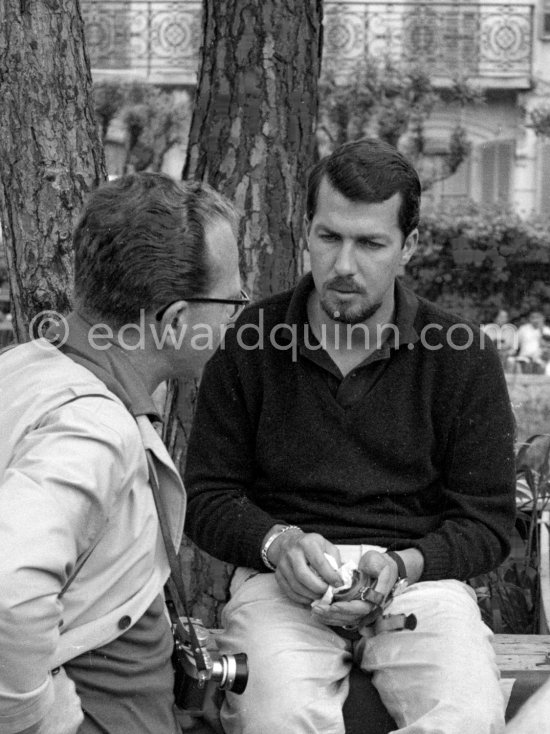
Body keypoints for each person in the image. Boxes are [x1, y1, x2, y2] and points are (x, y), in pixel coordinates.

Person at [184, 139, 517, 734]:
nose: (343, 265)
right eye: (329, 237)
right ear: (305, 230)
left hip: (420, 584)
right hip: (279, 583)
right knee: (274, 717)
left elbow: (487, 521)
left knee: (465, 717)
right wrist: (278, 543)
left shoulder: (462, 353)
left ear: (407, 247)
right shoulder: (249, 341)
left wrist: (405, 562)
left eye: (370, 243)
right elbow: (207, 497)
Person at [0, 172, 245, 734]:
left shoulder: (26, 366)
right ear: (176, 321)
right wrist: (38, 720)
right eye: (231, 298)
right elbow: (9, 586)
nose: (237, 314)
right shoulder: (91, 429)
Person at [515, 310, 550, 374]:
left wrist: (541, 330)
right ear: (529, 319)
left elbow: (547, 346)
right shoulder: (523, 329)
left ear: (543, 318)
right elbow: (515, 344)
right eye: (533, 317)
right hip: (524, 358)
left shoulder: (547, 330)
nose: (535, 320)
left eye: (538, 317)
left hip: (541, 359)